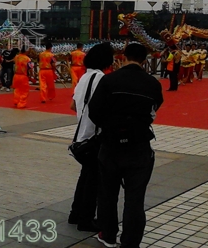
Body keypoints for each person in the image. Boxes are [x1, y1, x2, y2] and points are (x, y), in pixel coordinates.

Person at [89, 43, 163, 248]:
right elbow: (154, 109)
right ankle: (130, 241)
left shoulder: (109, 80)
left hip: (111, 144)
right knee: (135, 198)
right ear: (144, 60)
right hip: (139, 146)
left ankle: (108, 234)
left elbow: (94, 111)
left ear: (123, 57)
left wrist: (109, 126)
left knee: (107, 194)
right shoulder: (152, 83)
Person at [68, 42, 114, 232]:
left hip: (82, 135)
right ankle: (85, 219)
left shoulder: (84, 77)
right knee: (94, 179)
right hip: (94, 136)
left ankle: (76, 213)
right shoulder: (101, 78)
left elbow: (73, 105)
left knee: (86, 176)